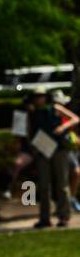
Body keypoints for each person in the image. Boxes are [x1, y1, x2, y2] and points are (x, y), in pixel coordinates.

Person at [27, 91, 78, 228]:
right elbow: (30, 131)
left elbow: (75, 119)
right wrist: (33, 147)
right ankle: (45, 218)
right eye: (37, 96)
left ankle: (64, 216)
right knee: (44, 186)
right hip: (42, 149)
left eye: (41, 96)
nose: (39, 99)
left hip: (59, 149)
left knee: (62, 184)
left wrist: (62, 127)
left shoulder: (55, 108)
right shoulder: (32, 113)